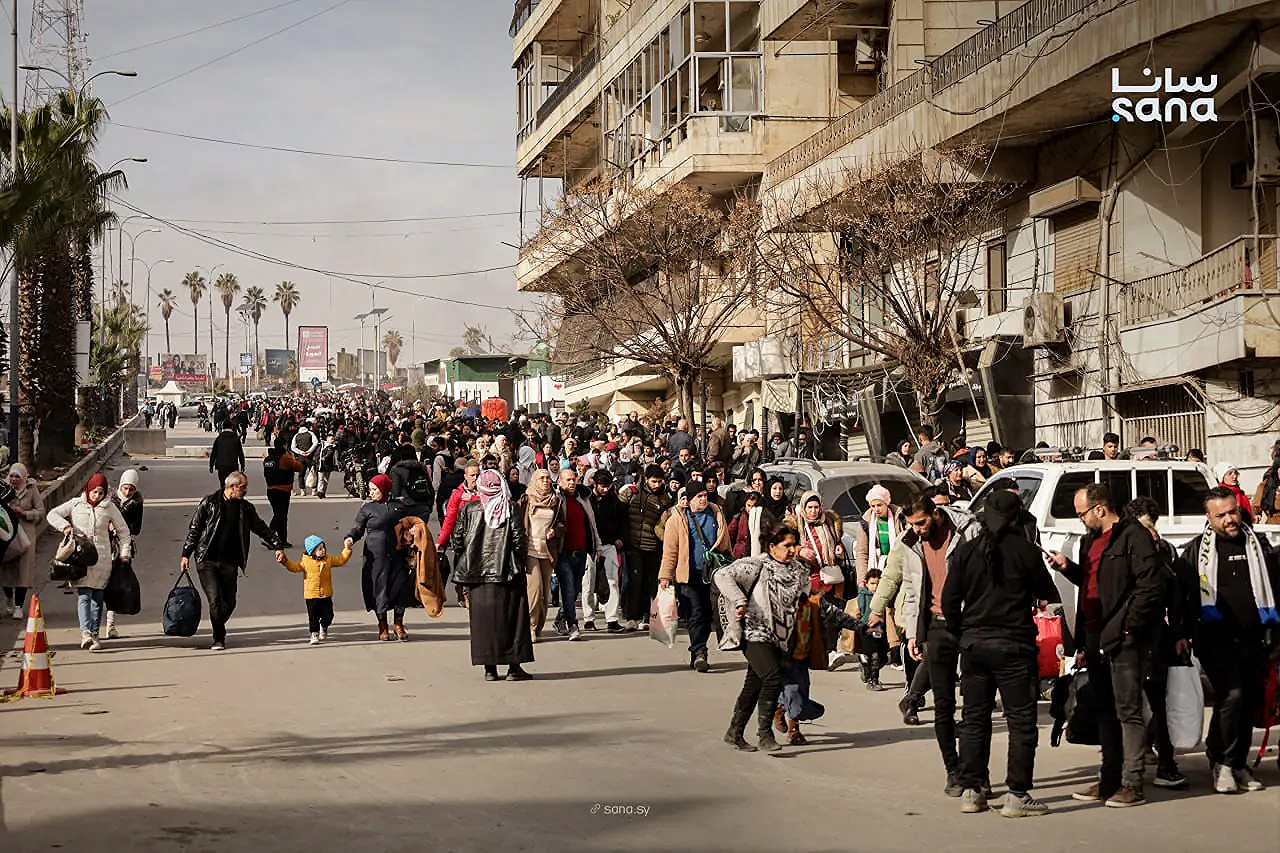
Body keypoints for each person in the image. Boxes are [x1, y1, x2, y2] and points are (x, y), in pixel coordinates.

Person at [942, 490, 1060, 817]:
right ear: (1014, 518)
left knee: (974, 720)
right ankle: (1017, 794)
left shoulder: (966, 552)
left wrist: (960, 631)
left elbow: (949, 600)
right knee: (1021, 722)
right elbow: (1046, 592)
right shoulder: (1024, 550)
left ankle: (973, 789)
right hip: (1014, 647)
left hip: (975, 646)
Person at [1048, 483, 1165, 808]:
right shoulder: (1089, 542)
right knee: (1105, 711)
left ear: (1099, 509)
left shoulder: (1133, 537)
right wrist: (1068, 568)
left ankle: (1132, 783)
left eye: (1081, 513)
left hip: (1125, 638)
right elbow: (1090, 584)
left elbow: (1149, 586)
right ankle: (1109, 778)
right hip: (1096, 636)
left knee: (1128, 711)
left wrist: (1129, 627)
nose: (1080, 519)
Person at [1177, 487, 1279, 794]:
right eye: (1221, 515)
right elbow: (1180, 596)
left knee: (1247, 700)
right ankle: (1221, 762)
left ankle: (1238, 764)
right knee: (1231, 695)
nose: (1229, 519)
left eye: (1232, 511)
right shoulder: (1197, 551)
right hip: (1214, 638)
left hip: (1255, 636)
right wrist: (1181, 633)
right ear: (1208, 518)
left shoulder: (1258, 545)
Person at [880, 494, 982, 795]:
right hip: (936, 627)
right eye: (912, 524)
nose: (918, 529)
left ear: (935, 513)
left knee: (976, 707)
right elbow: (912, 590)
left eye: (922, 522)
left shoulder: (967, 531)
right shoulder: (911, 542)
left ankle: (976, 770)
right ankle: (953, 770)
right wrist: (913, 632)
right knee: (943, 707)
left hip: (970, 624)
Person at [715, 522, 810, 752]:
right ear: (772, 546)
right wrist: (739, 600)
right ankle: (764, 733)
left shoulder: (798, 571)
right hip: (753, 631)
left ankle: (734, 732)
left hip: (780, 637)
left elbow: (807, 599)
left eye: (794, 545)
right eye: (786, 545)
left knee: (753, 685)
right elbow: (722, 575)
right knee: (772, 677)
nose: (791, 550)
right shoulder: (756, 565)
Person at [1123, 497, 1192, 791]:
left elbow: (1177, 597)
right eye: (1146, 527)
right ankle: (1126, 767)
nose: (1151, 533)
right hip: (1129, 639)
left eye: (1153, 526)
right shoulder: (1123, 551)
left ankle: (1165, 763)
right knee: (1127, 707)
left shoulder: (1164, 554)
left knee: (1161, 704)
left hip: (1157, 640)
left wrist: (1179, 633)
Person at [181, 471, 282, 650]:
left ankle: (217, 621)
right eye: (243, 487)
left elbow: (260, 527)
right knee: (216, 600)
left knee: (230, 601)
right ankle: (219, 637)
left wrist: (277, 545)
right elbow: (195, 529)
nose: (245, 491)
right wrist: (186, 554)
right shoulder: (209, 502)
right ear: (232, 487)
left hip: (230, 561)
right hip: (207, 559)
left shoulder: (246, 508)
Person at [451, 469, 535, 681]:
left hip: (477, 576)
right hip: (507, 574)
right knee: (513, 620)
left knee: (483, 623)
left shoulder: (469, 509)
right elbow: (519, 540)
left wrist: (464, 567)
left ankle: (490, 668)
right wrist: (521, 562)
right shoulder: (510, 508)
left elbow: (458, 540)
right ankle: (514, 666)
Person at [47, 474, 132, 652]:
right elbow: (52, 514)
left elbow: (124, 532)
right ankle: (85, 633)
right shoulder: (76, 504)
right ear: (88, 490)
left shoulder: (109, 508)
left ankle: (95, 634)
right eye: (94, 492)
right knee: (84, 595)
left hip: (102, 559)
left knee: (97, 598)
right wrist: (65, 527)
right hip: (81, 558)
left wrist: (125, 554)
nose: (97, 496)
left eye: (101, 493)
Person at [659, 479, 728, 672]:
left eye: (705, 495)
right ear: (689, 500)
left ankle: (698, 648)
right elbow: (670, 551)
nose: (703, 499)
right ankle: (699, 651)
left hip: (712, 575)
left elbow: (725, 545)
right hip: (689, 576)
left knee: (707, 615)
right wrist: (665, 576)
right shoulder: (677, 520)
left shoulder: (717, 514)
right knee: (696, 613)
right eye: (699, 496)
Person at [345, 473, 410, 642]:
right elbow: (358, 528)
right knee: (378, 589)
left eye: (374, 489)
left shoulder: (399, 506)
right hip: (375, 556)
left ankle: (398, 623)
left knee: (400, 587)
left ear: (384, 489)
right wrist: (351, 537)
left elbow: (411, 525)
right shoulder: (367, 508)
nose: (371, 492)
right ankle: (382, 626)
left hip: (397, 554)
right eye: (370, 489)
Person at [620, 464, 674, 631]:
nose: (657, 485)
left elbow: (663, 524)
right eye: (654, 481)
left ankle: (644, 615)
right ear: (646, 479)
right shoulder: (631, 493)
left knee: (648, 582)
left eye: (659, 481)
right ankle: (631, 616)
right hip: (632, 544)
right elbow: (618, 512)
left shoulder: (664, 499)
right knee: (633, 581)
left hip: (651, 546)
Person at [552, 467, 600, 641]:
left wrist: (597, 546)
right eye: (567, 480)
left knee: (574, 590)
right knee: (569, 588)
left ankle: (560, 618)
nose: (571, 483)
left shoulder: (583, 498)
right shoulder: (556, 499)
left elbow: (592, 523)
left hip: (581, 552)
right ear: (560, 481)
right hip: (564, 552)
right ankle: (573, 625)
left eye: (573, 479)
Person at [279, 535, 353, 644]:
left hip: (326, 594)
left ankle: (324, 625)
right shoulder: (305, 562)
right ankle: (314, 633)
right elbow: (294, 567)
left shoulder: (329, 559)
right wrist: (285, 561)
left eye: (324, 548)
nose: (323, 551)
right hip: (311, 595)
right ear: (312, 551)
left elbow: (341, 560)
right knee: (313, 617)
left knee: (328, 615)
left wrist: (347, 549)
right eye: (319, 549)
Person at [517, 468, 562, 641]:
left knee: (545, 593)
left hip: (547, 552)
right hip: (530, 551)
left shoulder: (555, 500)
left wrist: (555, 531)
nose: (545, 481)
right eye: (542, 478)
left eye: (548, 478)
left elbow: (562, 524)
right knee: (533, 590)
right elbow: (517, 522)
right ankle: (530, 627)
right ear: (534, 480)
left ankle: (539, 625)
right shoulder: (526, 499)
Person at [100, 469, 144, 640]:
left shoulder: (137, 502)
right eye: (125, 488)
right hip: (103, 545)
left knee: (116, 584)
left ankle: (110, 623)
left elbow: (137, 528)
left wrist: (121, 527)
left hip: (123, 548)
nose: (127, 492)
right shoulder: (107, 499)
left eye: (131, 489)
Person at [584, 469, 626, 632]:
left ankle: (612, 618)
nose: (605, 489)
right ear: (595, 483)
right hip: (590, 546)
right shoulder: (587, 500)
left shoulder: (614, 501)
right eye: (602, 486)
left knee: (612, 581)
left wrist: (620, 538)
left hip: (609, 544)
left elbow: (623, 521)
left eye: (608, 486)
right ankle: (588, 618)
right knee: (588, 581)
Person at [2, 463, 43, 621]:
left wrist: (25, 513)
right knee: (6, 569)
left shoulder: (32, 490)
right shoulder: (4, 489)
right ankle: (9, 599)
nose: (13, 479)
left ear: (24, 477)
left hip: (26, 535)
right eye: (12, 475)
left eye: (17, 476)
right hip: (7, 535)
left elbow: (40, 512)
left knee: (23, 572)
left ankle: (19, 605)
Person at [788, 491, 845, 599]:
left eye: (816, 507)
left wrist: (839, 547)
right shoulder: (796, 524)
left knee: (833, 610)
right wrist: (800, 551)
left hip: (831, 577)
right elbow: (787, 546)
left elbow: (837, 540)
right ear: (804, 508)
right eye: (810, 507)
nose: (813, 511)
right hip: (808, 577)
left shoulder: (829, 522)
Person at [263, 436, 302, 549]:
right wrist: (292, 456)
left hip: (270, 490)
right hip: (282, 490)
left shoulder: (268, 459)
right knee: (280, 515)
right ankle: (270, 536)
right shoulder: (285, 458)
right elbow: (298, 467)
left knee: (280, 515)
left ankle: (282, 540)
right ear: (284, 445)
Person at [209, 421, 245, 486]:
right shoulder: (235, 439)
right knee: (232, 485)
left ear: (223, 427)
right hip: (232, 465)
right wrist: (242, 465)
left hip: (221, 466)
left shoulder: (219, 439)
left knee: (223, 484)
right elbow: (240, 453)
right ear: (231, 427)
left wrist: (211, 465)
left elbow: (214, 453)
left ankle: (223, 495)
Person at [290, 421, 319, 496]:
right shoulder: (310, 433)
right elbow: (315, 442)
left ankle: (303, 490)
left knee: (301, 474)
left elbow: (293, 447)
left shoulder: (296, 435)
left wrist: (301, 452)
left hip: (301, 458)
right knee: (313, 473)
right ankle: (314, 489)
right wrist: (309, 451)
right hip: (310, 457)